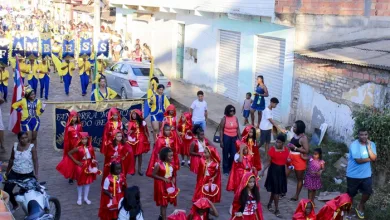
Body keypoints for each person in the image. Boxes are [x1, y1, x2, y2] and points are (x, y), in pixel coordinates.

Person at [345, 128, 376, 219]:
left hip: (366, 175)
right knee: (351, 195)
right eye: (361, 135)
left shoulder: (372, 144)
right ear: (358, 135)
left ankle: (360, 205)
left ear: (368, 135)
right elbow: (359, 160)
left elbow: (374, 157)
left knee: (367, 192)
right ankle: (348, 211)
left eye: (365, 134)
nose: (363, 136)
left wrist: (369, 148)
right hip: (353, 175)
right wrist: (371, 158)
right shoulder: (354, 145)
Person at [4, 132, 38, 211]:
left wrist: (36, 173)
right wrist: (7, 171)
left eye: (26, 137)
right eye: (22, 138)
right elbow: (11, 159)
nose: (24, 140)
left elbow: (35, 160)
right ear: (19, 139)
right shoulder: (15, 146)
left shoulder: (31, 147)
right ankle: (15, 205)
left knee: (29, 194)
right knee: (7, 190)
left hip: (27, 174)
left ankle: (31, 210)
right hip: (14, 172)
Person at [67, 132, 101, 205]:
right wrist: (76, 161)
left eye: (85, 139)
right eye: (83, 139)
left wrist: (93, 160)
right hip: (80, 166)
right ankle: (79, 198)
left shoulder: (90, 147)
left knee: (87, 182)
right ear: (80, 139)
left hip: (89, 166)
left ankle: (86, 198)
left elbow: (92, 156)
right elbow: (69, 153)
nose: (84, 141)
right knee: (80, 183)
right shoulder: (78, 148)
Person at [260, 134, 289, 218]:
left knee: (275, 190)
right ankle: (277, 209)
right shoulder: (272, 150)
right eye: (276, 141)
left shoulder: (286, 150)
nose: (277, 143)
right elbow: (268, 162)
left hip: (281, 172)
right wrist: (263, 170)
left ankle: (269, 204)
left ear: (283, 143)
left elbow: (286, 161)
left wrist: (288, 165)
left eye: (279, 142)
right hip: (273, 171)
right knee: (276, 191)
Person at [151, 147, 180, 220]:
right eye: (170, 156)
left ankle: (161, 216)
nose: (172, 157)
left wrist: (173, 178)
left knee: (165, 202)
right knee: (163, 203)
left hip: (169, 185)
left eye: (172, 155)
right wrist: (163, 178)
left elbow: (173, 174)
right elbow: (153, 174)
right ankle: (163, 217)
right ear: (164, 156)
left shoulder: (172, 164)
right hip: (162, 186)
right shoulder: (158, 164)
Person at [56, 111, 83, 185]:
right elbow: (66, 138)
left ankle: (77, 175)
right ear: (70, 118)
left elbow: (81, 135)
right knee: (72, 162)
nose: (75, 119)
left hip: (78, 146)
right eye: (73, 117)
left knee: (78, 160)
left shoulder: (79, 126)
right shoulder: (68, 127)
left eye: (76, 117)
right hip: (71, 146)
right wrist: (68, 147)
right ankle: (71, 177)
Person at [286, 120, 309, 201]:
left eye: (295, 127)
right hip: (291, 157)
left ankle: (296, 195)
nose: (293, 128)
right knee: (285, 175)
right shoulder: (295, 135)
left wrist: (295, 148)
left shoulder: (303, 138)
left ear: (299, 128)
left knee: (299, 178)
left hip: (299, 159)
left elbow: (306, 150)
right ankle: (282, 191)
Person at [127, 109, 150, 176]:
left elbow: (145, 131)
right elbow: (129, 131)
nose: (133, 115)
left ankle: (139, 169)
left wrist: (148, 138)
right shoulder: (130, 122)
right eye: (133, 114)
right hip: (133, 139)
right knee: (134, 155)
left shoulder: (142, 122)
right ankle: (133, 168)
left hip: (141, 138)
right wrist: (129, 132)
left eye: (135, 114)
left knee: (140, 154)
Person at [220, 104, 241, 176]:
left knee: (234, 154)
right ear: (227, 111)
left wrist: (240, 139)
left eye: (233, 110)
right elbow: (221, 130)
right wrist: (221, 141)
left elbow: (238, 129)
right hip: (226, 137)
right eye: (230, 111)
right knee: (225, 154)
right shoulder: (224, 118)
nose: (232, 112)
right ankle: (225, 170)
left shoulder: (235, 118)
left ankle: (229, 166)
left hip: (234, 138)